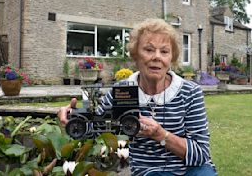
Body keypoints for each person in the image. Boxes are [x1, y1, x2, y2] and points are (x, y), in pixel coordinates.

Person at [58, 19, 217, 176]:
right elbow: (93, 128)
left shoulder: (190, 92)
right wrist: (72, 119)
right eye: (149, 50)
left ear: (171, 58)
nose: (157, 57)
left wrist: (160, 135)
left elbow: (201, 153)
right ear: (135, 55)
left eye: (164, 51)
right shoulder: (121, 91)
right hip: (150, 172)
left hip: (194, 170)